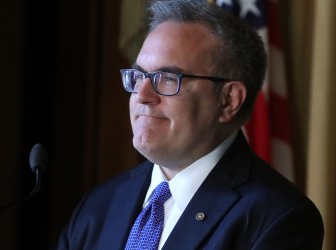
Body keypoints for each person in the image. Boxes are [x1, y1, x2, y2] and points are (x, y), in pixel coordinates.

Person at [56, 0, 324, 249]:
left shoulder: (278, 217)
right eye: (138, 76)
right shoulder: (100, 204)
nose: (142, 95)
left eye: (167, 78)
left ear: (228, 100)